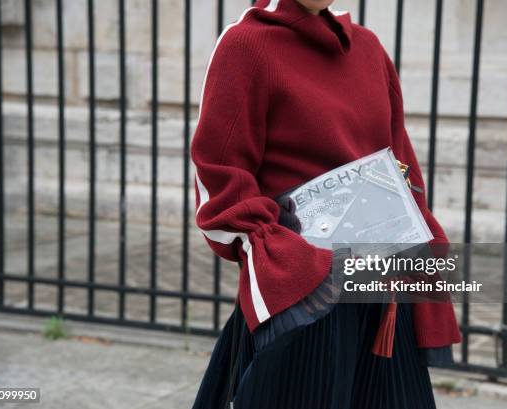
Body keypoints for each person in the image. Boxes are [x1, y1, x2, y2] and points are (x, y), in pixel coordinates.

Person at [190, 1, 461, 408]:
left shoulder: (368, 49)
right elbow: (221, 185)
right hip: (306, 297)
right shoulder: (246, 45)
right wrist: (289, 259)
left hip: (381, 294)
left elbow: (401, 167)